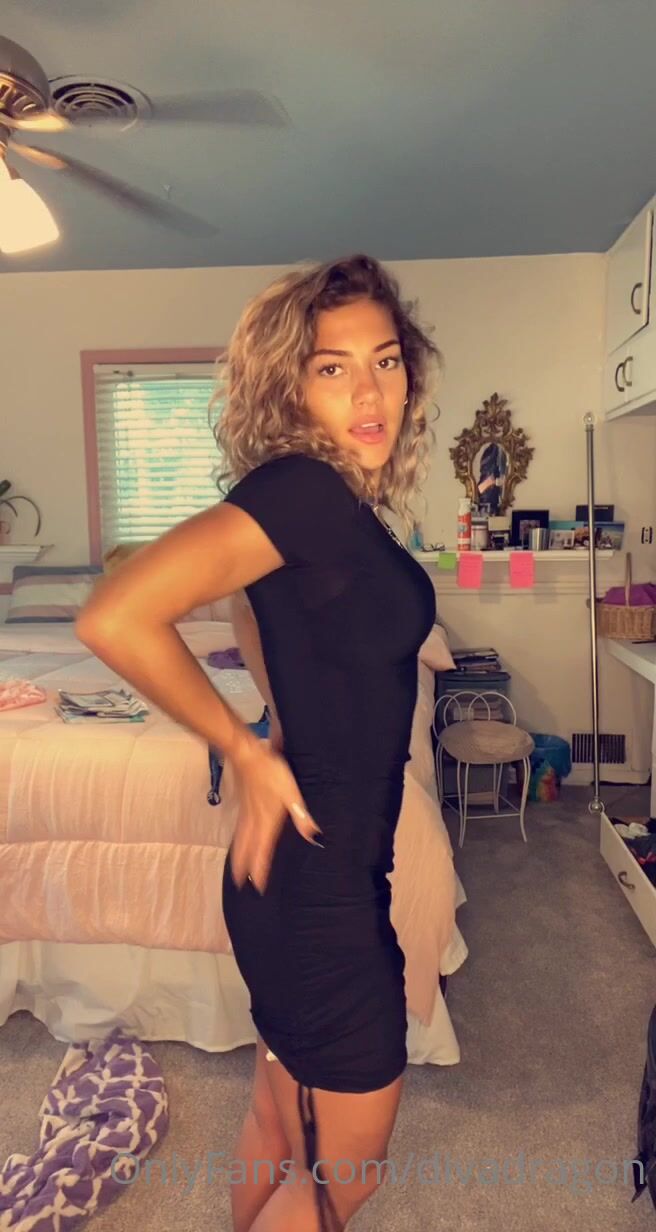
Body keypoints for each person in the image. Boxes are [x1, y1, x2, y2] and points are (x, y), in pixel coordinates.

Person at [76, 252, 442, 1231]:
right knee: (342, 1177)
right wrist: (245, 750)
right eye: (332, 368)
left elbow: (249, 605)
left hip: (300, 877)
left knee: (279, 1124)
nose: (369, 392)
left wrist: (278, 720)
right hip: (319, 894)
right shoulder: (305, 493)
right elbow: (115, 614)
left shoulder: (326, 500)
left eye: (385, 360)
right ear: (290, 384)